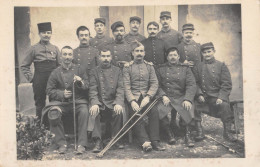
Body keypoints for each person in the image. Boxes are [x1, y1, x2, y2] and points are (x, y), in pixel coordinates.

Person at [41, 46, 89, 154]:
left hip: (77, 102)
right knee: (53, 112)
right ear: (61, 56)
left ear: (73, 56)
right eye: (65, 54)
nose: (67, 57)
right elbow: (49, 90)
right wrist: (61, 94)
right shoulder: (55, 72)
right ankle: (61, 143)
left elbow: (87, 85)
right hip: (61, 103)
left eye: (69, 54)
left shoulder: (80, 69)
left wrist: (80, 82)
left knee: (84, 111)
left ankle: (81, 144)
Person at [123, 41, 165, 152]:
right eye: (137, 51)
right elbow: (126, 86)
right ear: (132, 53)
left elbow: (154, 83)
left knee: (154, 111)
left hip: (147, 97)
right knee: (135, 113)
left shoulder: (150, 67)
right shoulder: (127, 68)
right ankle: (145, 142)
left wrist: (148, 97)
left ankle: (155, 140)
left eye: (141, 51)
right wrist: (132, 101)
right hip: (133, 98)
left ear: (144, 53)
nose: (139, 53)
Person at [155, 47, 197, 147]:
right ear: (167, 57)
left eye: (175, 55)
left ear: (178, 56)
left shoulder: (185, 68)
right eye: (170, 55)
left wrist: (187, 99)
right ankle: (169, 133)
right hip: (167, 97)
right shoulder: (161, 69)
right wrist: (163, 95)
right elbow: (157, 85)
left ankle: (187, 134)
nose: (172, 57)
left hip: (181, 96)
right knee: (159, 110)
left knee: (188, 108)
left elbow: (191, 84)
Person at [196, 42, 237, 142]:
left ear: (214, 51)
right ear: (202, 54)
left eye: (209, 51)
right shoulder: (198, 66)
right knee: (193, 106)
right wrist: (199, 94)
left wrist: (221, 97)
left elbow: (226, 84)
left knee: (225, 106)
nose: (207, 54)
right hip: (204, 96)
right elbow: (195, 83)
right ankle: (199, 131)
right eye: (204, 52)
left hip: (217, 96)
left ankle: (227, 133)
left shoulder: (221, 65)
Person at [20, 22, 60, 119]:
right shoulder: (33, 49)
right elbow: (24, 66)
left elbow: (59, 65)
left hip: (53, 79)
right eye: (44, 32)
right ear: (39, 34)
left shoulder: (55, 48)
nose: (46, 35)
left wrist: (58, 79)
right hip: (39, 78)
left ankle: (53, 125)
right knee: (40, 103)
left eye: (49, 32)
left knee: (54, 102)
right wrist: (32, 78)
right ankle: (40, 128)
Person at [88, 48, 125, 153]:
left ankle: (115, 139)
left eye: (108, 56)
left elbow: (120, 89)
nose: (106, 59)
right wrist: (95, 103)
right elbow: (93, 90)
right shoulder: (94, 71)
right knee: (94, 111)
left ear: (111, 57)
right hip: (100, 102)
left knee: (118, 111)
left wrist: (118, 102)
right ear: (99, 58)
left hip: (112, 101)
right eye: (103, 56)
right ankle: (98, 141)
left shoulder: (118, 71)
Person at [177, 23, 204, 141]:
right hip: (183, 78)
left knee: (197, 100)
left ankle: (198, 126)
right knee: (186, 99)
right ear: (183, 33)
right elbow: (174, 63)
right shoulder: (178, 47)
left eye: (190, 32)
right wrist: (183, 64)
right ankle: (185, 126)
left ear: (193, 33)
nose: (188, 34)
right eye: (186, 32)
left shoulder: (198, 46)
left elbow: (202, 62)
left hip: (196, 77)